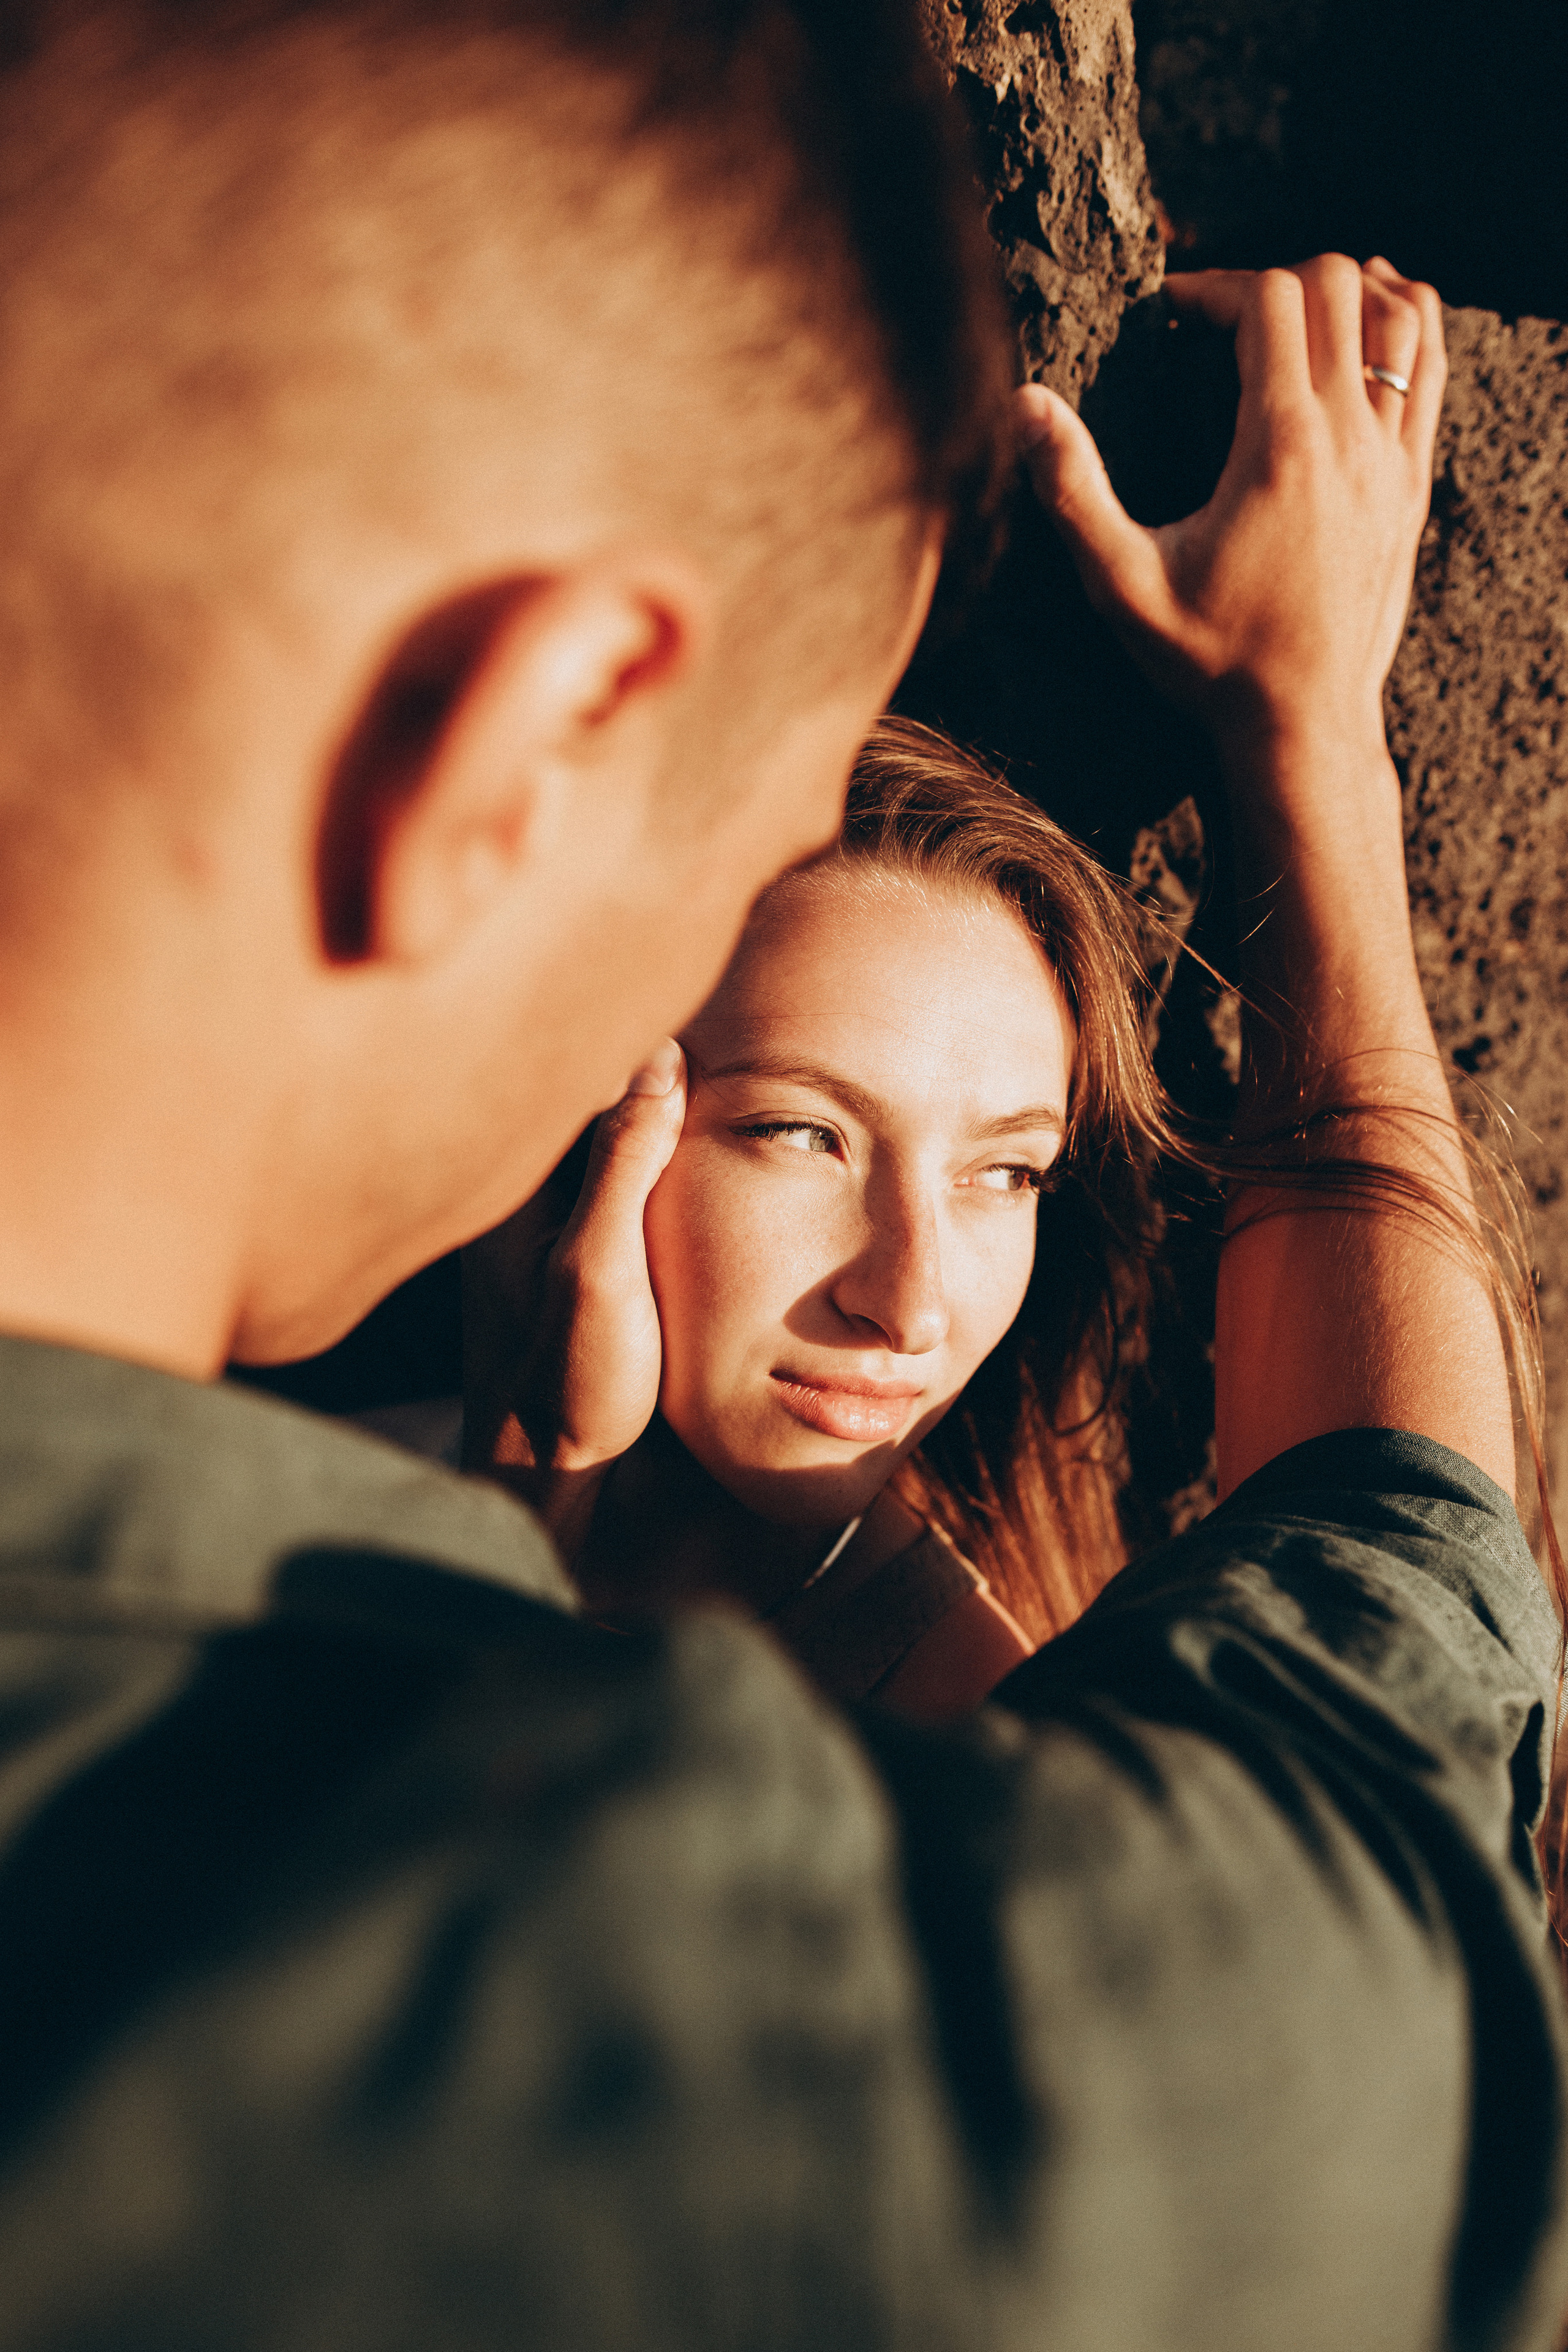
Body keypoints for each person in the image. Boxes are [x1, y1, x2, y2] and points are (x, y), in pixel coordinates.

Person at [0, 6, 1562, 2350]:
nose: (915, 1284)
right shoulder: (836, 2065)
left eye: (1015, 1168)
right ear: (518, 745)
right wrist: (1308, 752)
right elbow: (1400, 1767)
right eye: (798, 1123)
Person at [462, 716, 1168, 1711]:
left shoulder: (963, 1734)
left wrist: (540, 1471)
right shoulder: (304, 1453)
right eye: (803, 1133)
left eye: (1008, 1173)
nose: (912, 1309)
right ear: (602, 1116)